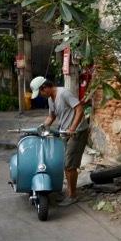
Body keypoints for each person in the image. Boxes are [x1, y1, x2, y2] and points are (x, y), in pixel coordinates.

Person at [30, 76, 89, 206]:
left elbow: (79, 109)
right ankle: (69, 191)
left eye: (40, 92)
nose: (41, 96)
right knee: (64, 164)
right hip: (64, 133)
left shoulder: (64, 93)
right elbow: (52, 116)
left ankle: (72, 196)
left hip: (77, 132)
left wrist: (72, 128)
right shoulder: (51, 99)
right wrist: (41, 127)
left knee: (69, 165)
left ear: (44, 87)